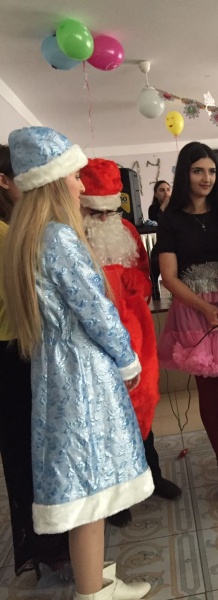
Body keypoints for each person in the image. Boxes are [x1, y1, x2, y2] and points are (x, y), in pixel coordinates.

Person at [2, 126, 153, 600]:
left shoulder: (25, 238)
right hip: (83, 372)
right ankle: (94, 593)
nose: (81, 185)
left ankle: (93, 577)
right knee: (92, 486)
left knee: (83, 483)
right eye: (74, 176)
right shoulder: (59, 239)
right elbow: (96, 311)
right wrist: (128, 361)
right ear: (52, 182)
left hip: (53, 370)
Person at [80, 158, 182, 524]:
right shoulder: (72, 234)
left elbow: (143, 275)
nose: (105, 219)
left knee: (143, 404)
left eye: (110, 211)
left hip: (136, 335)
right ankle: (117, 497)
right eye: (97, 212)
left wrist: (130, 288)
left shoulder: (126, 230)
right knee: (107, 415)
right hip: (94, 341)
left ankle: (151, 476)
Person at [157, 141, 218, 507]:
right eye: (198, 170)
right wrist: (203, 307)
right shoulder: (170, 220)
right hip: (193, 311)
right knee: (208, 391)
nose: (207, 178)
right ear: (185, 174)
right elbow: (169, 276)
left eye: (212, 171)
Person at [0, 145, 70, 578]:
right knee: (29, 450)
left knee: (30, 448)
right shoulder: (11, 234)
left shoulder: (16, 229)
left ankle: (47, 542)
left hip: (22, 346)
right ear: (5, 180)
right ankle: (47, 545)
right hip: (14, 350)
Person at [148, 181, 172, 301]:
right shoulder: (153, 208)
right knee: (154, 259)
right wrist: (164, 206)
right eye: (162, 190)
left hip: (176, 243)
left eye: (168, 189)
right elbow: (157, 221)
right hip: (162, 242)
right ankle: (155, 291)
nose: (165, 193)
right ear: (156, 194)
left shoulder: (176, 207)